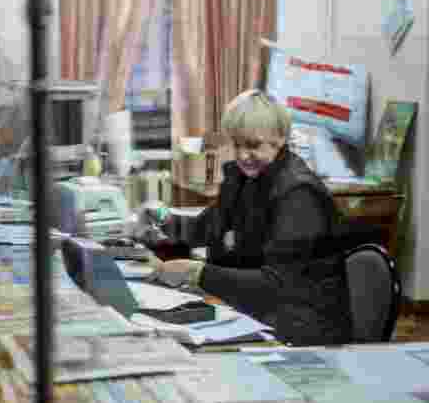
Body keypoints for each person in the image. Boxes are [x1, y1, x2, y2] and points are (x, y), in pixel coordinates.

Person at [138, 89, 355, 346]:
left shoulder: (298, 194)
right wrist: (160, 216)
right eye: (237, 144)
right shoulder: (246, 179)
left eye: (253, 145)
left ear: (280, 139)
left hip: (301, 329)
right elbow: (205, 228)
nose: (242, 155)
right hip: (257, 313)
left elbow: (276, 284)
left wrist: (195, 272)